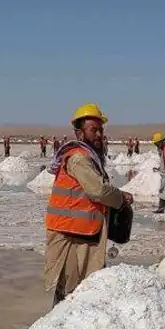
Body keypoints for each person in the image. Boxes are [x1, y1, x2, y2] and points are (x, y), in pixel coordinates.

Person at [44, 103, 132, 305]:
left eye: (101, 129)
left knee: (84, 291)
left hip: (84, 233)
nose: (99, 134)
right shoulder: (78, 159)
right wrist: (120, 197)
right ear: (79, 133)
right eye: (94, 130)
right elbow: (98, 190)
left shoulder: (91, 158)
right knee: (70, 293)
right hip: (70, 236)